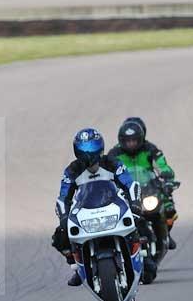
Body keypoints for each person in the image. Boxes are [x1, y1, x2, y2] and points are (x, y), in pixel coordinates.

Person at [51, 128, 145, 286]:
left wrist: (135, 204)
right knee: (60, 237)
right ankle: (77, 267)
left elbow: (129, 183)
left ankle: (143, 258)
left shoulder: (112, 163)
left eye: (92, 151)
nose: (88, 156)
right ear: (77, 151)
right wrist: (64, 217)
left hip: (113, 205)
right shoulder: (72, 170)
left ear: (100, 149)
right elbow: (63, 196)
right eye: (84, 152)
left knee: (141, 222)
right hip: (85, 211)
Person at [108, 117, 179, 250]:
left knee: (169, 209)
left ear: (140, 138)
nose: (131, 144)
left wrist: (168, 178)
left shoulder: (150, 149)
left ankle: (166, 234)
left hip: (149, 189)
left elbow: (163, 165)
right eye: (128, 141)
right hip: (126, 193)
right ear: (121, 140)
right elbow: (106, 171)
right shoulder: (114, 154)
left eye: (134, 140)